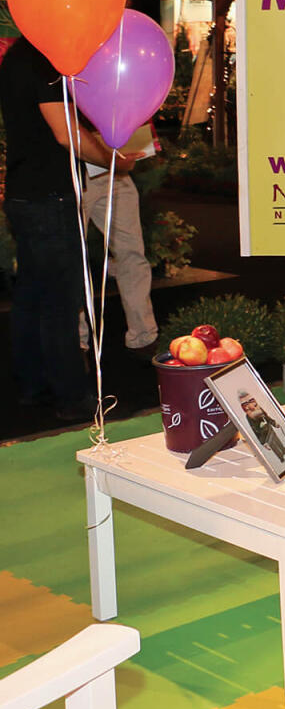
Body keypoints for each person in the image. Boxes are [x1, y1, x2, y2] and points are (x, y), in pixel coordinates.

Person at [0, 37, 129, 422]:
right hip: (50, 198)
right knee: (59, 301)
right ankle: (72, 397)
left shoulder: (17, 57)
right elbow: (64, 132)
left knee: (31, 298)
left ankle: (32, 386)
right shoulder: (44, 60)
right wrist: (114, 161)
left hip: (25, 195)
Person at [78, 122, 160, 355]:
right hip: (76, 156)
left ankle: (144, 336)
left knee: (132, 251)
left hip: (113, 154)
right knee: (72, 258)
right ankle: (77, 342)